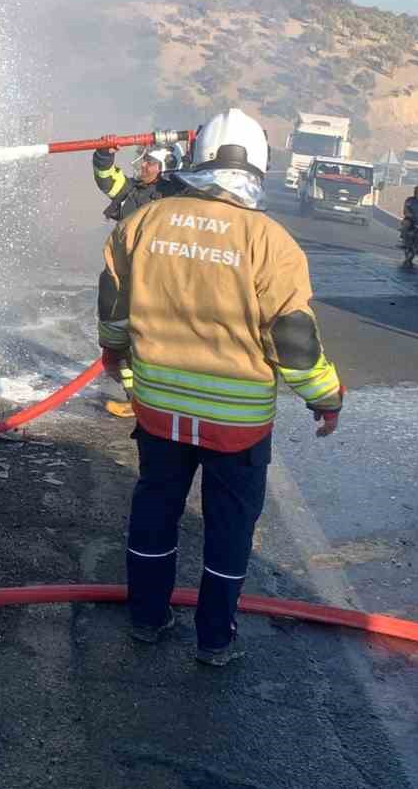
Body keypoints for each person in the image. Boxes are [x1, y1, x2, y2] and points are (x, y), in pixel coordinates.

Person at [97, 107, 344, 668]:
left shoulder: (144, 223)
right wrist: (324, 396)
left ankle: (146, 618)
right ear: (258, 167)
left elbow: (112, 304)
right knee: (230, 527)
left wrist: (114, 352)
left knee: (155, 508)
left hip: (159, 409)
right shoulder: (270, 241)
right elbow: (294, 338)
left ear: (200, 157)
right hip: (237, 423)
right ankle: (214, 638)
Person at [92, 140, 184, 419]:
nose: (143, 166)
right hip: (125, 276)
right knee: (121, 338)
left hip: (158, 280)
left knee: (149, 342)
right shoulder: (130, 189)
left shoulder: (176, 195)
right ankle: (136, 400)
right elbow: (106, 178)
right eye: (142, 161)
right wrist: (103, 154)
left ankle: (156, 401)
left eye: (150, 162)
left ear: (165, 166)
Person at [92, 142, 182, 223]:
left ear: (167, 166)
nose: (143, 164)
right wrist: (104, 156)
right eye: (143, 159)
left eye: (149, 161)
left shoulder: (180, 197)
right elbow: (106, 180)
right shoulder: (132, 190)